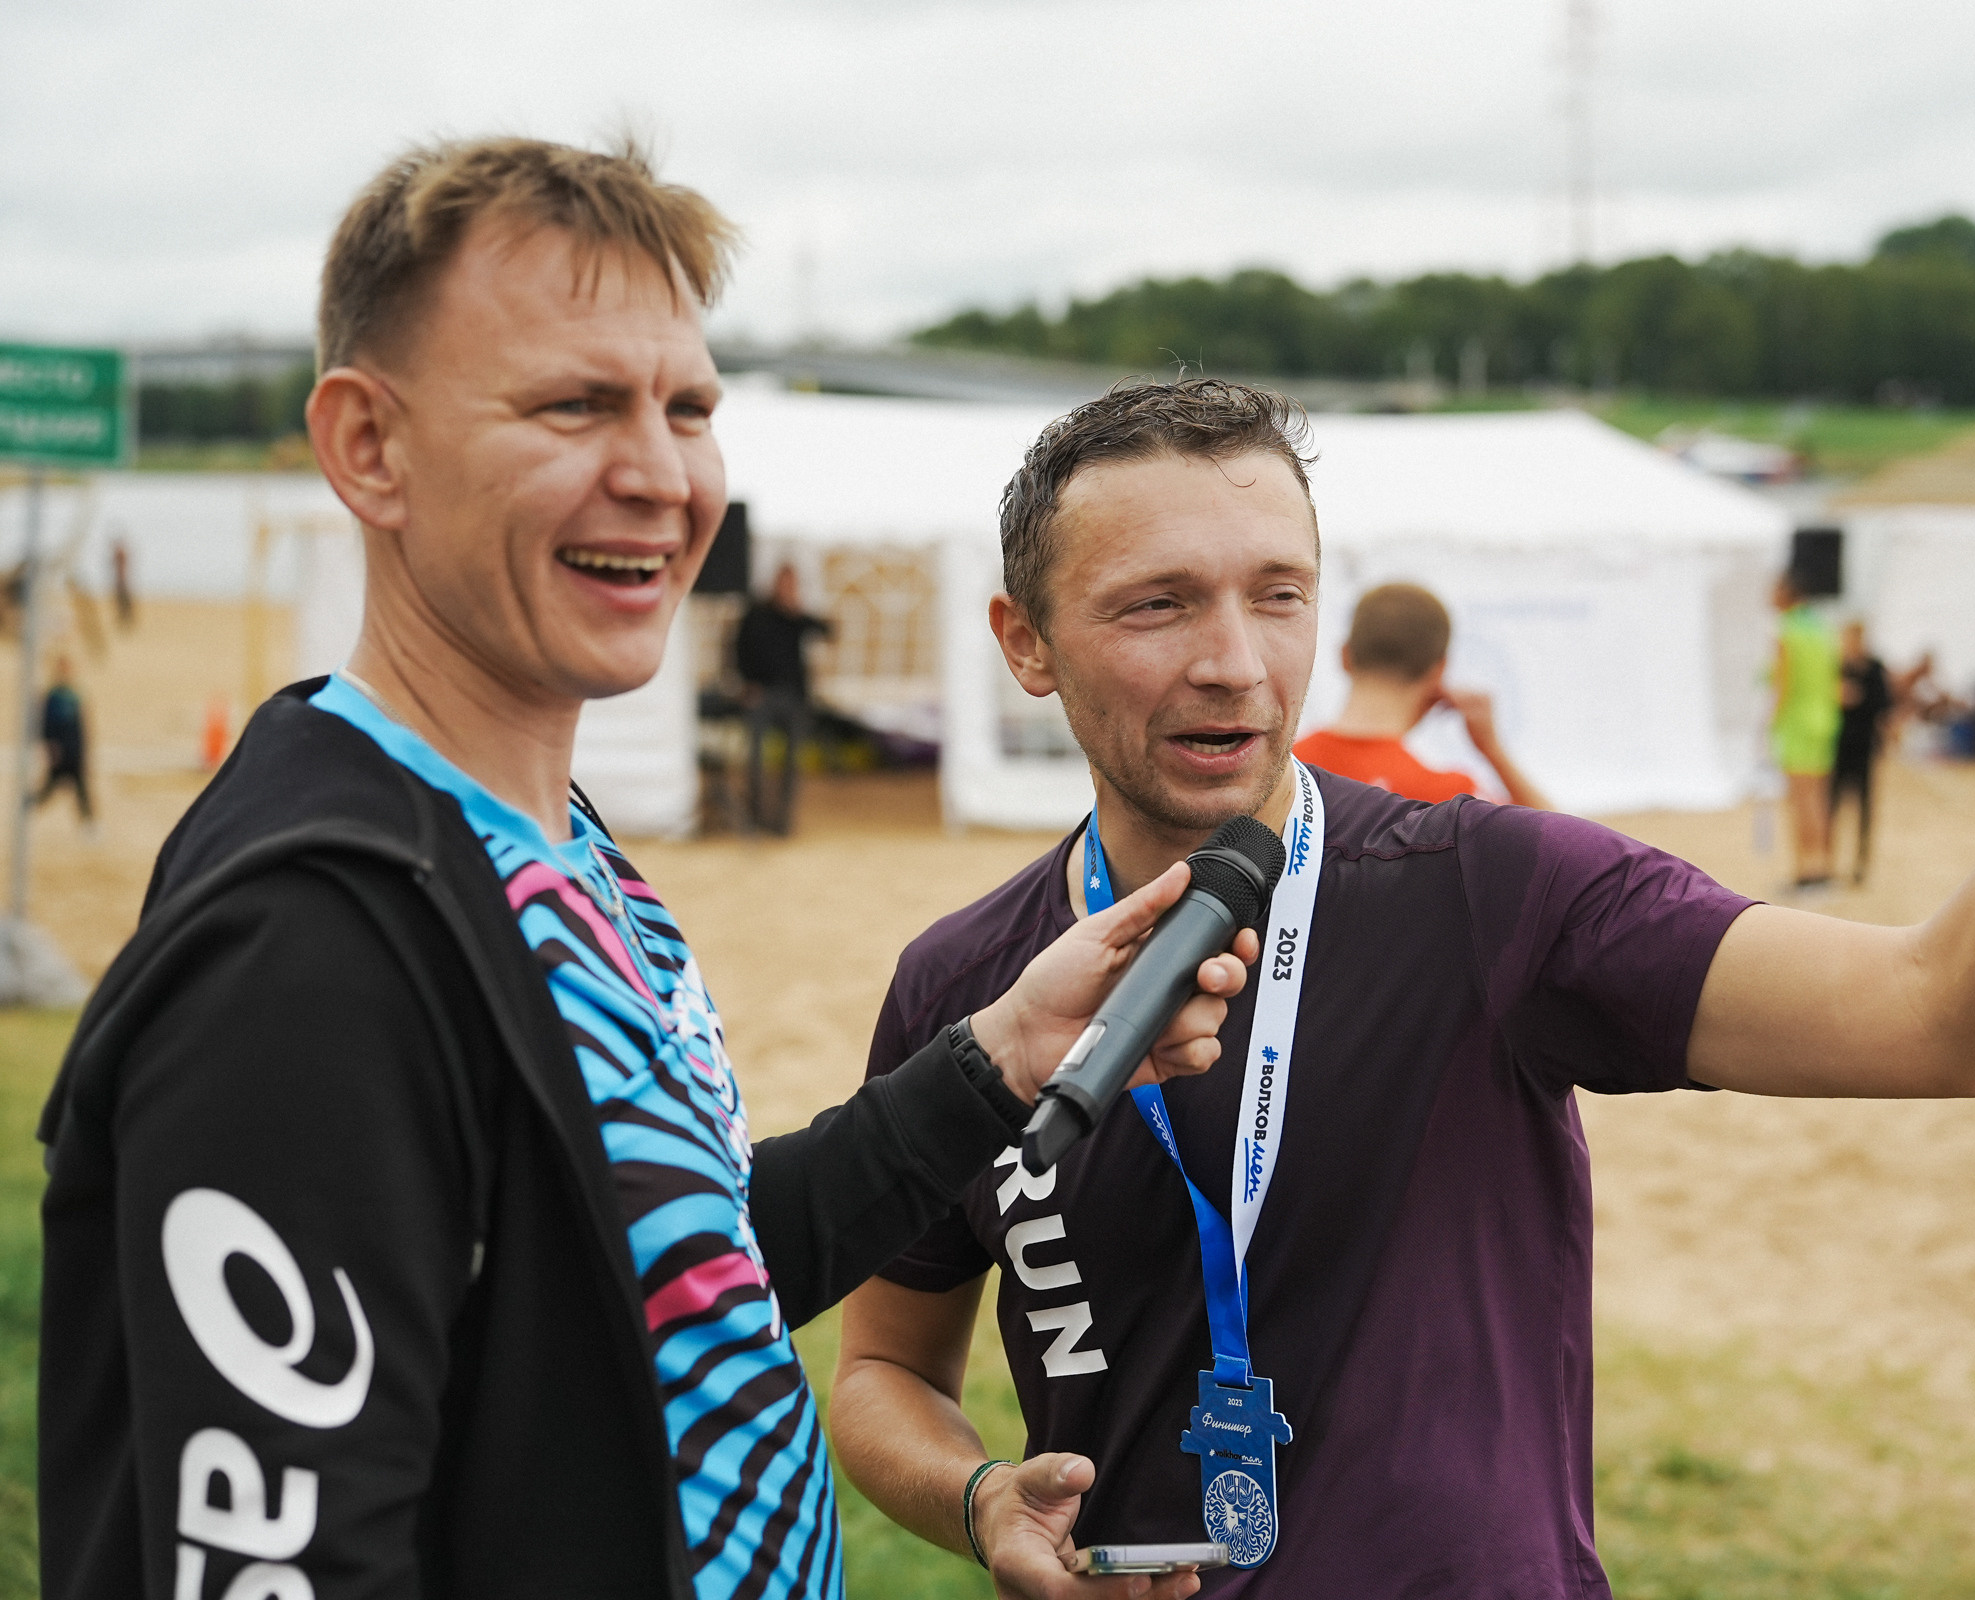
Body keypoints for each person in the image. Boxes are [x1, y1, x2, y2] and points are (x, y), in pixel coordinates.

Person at [828, 364, 1975, 1599]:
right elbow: (885, 1362)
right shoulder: (966, 984)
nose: (1236, 661)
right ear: (1025, 641)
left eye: (1278, 596)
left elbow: (1959, 1020)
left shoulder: (1494, 891)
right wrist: (976, 1503)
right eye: (1159, 605)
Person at [36, 137, 1249, 1600]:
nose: (663, 476)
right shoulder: (315, 950)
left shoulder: (555, 845)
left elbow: (686, 1275)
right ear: (368, 446)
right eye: (574, 406)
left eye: (688, 408)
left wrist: (998, 1057)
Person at [1292, 581, 1550, 808]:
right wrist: (1493, 750)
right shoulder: (1452, 799)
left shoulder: (1285, 770)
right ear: (1439, 671)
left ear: (1345, 656)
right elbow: (1566, 846)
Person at [735, 561, 833, 833]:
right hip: (762, 695)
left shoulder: (795, 617)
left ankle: (782, 823)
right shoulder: (756, 614)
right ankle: (756, 819)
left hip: (794, 697)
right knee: (756, 761)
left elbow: (827, 631)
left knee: (792, 763)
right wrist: (747, 685)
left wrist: (797, 610)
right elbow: (739, 650)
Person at [1771, 571, 1842, 887]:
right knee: (1820, 799)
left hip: (1797, 722)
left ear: (1787, 593)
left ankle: (1807, 870)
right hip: (1825, 719)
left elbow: (1782, 685)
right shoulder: (1821, 629)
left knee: (1802, 801)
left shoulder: (1787, 631)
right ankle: (1824, 864)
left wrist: (1771, 721)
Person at [1831, 620, 1893, 884]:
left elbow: (1884, 704)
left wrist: (1858, 697)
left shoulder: (1875, 668)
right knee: (1832, 806)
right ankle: (1828, 861)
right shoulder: (1835, 667)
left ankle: (1860, 862)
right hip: (1837, 746)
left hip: (1865, 746)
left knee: (1864, 808)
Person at [37, 653, 93, 824]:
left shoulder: (75, 696)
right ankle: (25, 809)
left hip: (74, 750)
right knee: (49, 788)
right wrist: (51, 747)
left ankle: (88, 821)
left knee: (81, 789)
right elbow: (46, 726)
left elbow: (82, 728)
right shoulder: (53, 697)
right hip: (60, 751)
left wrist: (83, 751)